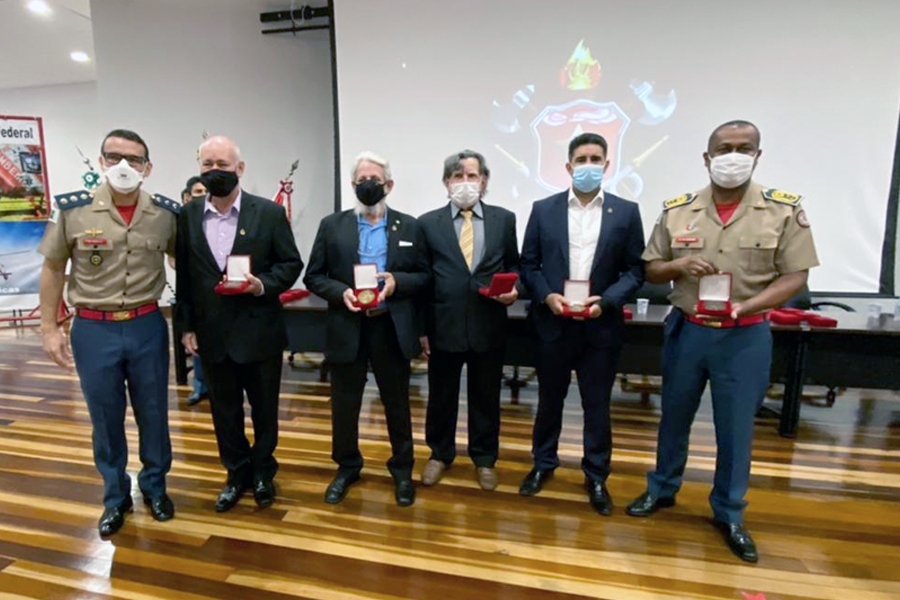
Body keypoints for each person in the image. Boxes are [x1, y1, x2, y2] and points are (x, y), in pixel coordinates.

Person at [625, 120, 818, 563]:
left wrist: (751, 306)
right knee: (673, 417)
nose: (733, 156)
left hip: (744, 336)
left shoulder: (782, 210)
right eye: (724, 148)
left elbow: (796, 276)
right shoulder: (679, 209)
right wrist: (679, 266)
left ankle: (729, 511)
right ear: (707, 157)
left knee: (735, 430)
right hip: (688, 329)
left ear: (757, 155)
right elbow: (651, 267)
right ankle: (663, 489)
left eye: (743, 148)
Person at [38, 128, 179, 536]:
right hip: (93, 329)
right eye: (114, 156)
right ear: (101, 162)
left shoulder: (165, 214)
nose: (123, 166)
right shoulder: (73, 210)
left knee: (154, 413)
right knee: (105, 417)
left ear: (147, 168)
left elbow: (186, 263)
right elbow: (52, 269)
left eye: (133, 159)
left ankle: (155, 488)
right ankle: (116, 497)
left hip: (148, 325)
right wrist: (49, 328)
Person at [519, 132, 645, 515]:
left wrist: (606, 302)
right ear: (569, 166)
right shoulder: (544, 209)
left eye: (596, 159)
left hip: (599, 325)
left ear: (606, 166)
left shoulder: (626, 211)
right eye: (581, 159)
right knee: (549, 400)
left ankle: (596, 475)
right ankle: (543, 464)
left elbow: (635, 269)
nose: (588, 165)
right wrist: (546, 296)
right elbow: (529, 264)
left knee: (597, 404)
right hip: (553, 323)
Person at [175, 135, 303, 512]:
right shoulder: (187, 215)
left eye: (223, 165)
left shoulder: (268, 213)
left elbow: (290, 265)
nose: (215, 172)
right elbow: (185, 275)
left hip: (259, 329)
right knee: (224, 412)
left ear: (240, 169)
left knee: (264, 410)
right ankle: (236, 473)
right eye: (208, 165)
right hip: (212, 335)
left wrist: (261, 284)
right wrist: (186, 327)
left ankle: (263, 472)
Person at [304, 151, 429, 507]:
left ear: (388, 185)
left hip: (390, 325)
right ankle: (346, 466)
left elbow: (424, 276)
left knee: (397, 403)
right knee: (345, 404)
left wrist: (397, 281)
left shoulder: (410, 226)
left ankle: (402, 469)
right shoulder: (332, 225)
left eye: (374, 179)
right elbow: (313, 276)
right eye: (361, 180)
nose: (367, 185)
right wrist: (339, 291)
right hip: (347, 325)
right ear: (353, 185)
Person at [417, 150, 519, 491]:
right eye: (457, 176)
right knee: (441, 395)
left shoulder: (504, 219)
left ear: (484, 181)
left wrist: (514, 288)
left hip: (488, 323)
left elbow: (515, 267)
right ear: (446, 182)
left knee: (486, 396)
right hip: (441, 324)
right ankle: (439, 454)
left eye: (472, 176)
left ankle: (485, 457)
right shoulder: (427, 223)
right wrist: (421, 330)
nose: (465, 183)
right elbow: (421, 280)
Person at [179, 175, 209, 406]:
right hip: (197, 298)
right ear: (187, 197)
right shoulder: (184, 221)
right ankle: (200, 386)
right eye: (198, 192)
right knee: (197, 345)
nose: (203, 196)